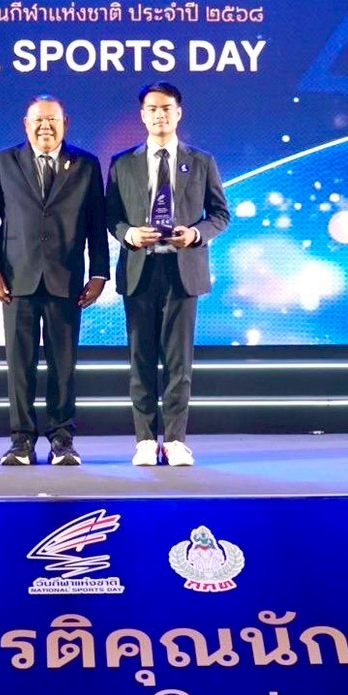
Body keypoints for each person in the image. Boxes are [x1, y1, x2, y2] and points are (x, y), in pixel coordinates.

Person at [105, 81, 229, 467]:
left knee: (179, 363)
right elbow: (111, 216)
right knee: (141, 360)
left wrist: (195, 234)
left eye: (166, 108)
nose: (160, 115)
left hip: (183, 270)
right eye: (152, 109)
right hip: (140, 269)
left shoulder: (201, 161)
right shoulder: (122, 163)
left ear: (179, 113)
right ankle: (145, 439)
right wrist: (129, 234)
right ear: (142, 115)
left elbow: (220, 214)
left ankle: (175, 440)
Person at [0, 95, 109, 465]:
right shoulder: (3, 161)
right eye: (37, 120)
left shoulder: (85, 164)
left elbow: (96, 223)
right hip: (16, 280)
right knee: (19, 367)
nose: (45, 126)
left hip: (66, 280)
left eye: (52, 119)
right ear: (26, 124)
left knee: (63, 367)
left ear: (65, 123)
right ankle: (21, 441)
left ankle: (62, 440)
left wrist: (99, 273)